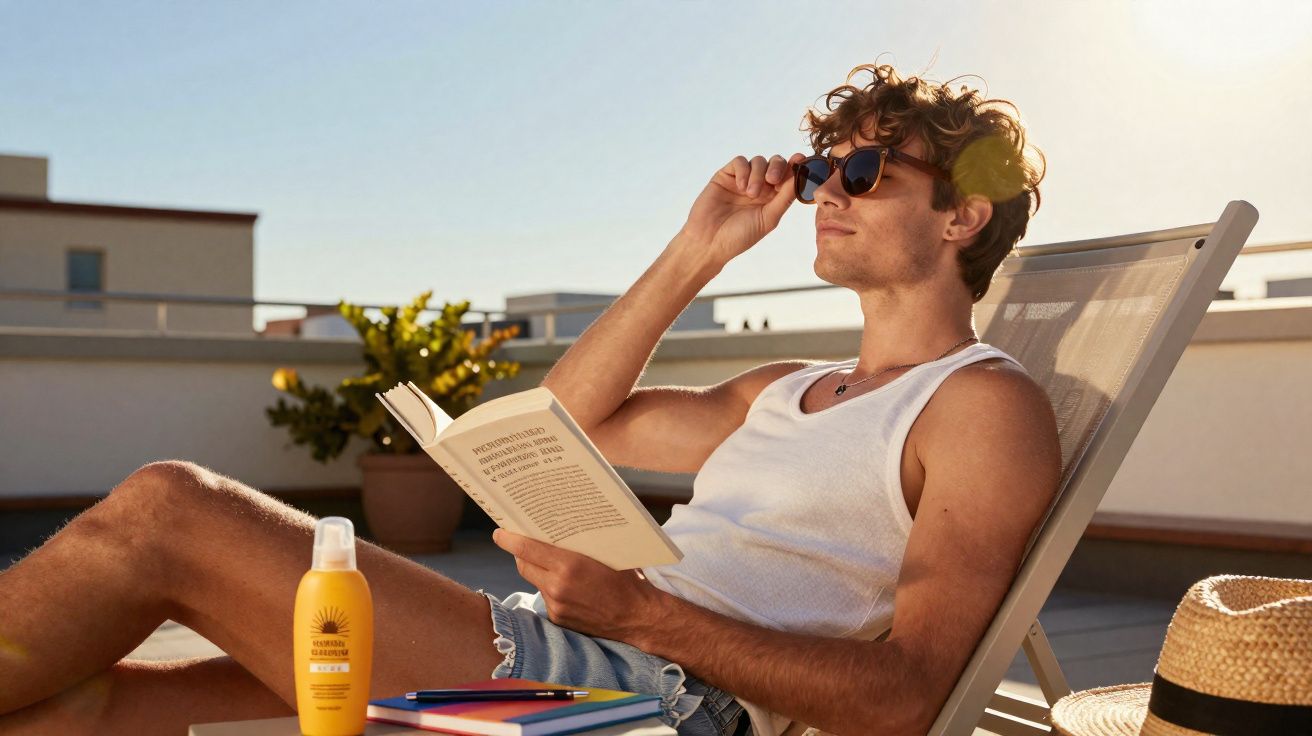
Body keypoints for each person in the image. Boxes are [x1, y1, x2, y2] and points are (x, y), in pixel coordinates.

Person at [0, 62, 1059, 736]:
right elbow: (570, 422)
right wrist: (699, 249)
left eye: (868, 168)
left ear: (962, 217)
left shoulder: (977, 407)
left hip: (653, 700)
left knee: (170, 508)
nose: (830, 186)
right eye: (824, 164)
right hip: (558, 643)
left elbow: (909, 695)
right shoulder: (780, 391)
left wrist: (644, 611)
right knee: (87, 710)